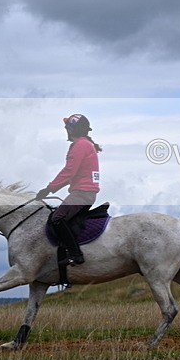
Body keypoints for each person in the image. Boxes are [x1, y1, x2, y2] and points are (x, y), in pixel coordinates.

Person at [35, 114, 101, 266]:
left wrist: (49, 189)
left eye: (67, 128)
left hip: (82, 193)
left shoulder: (81, 145)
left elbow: (69, 171)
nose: (66, 131)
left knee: (57, 219)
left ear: (73, 130)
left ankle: (75, 254)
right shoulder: (85, 144)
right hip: (84, 192)